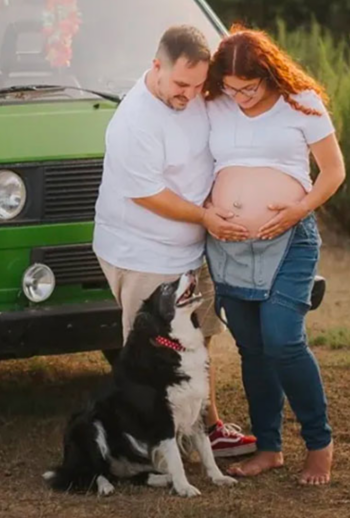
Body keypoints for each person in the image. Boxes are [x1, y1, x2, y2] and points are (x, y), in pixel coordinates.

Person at [93, 24, 257, 459]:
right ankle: (146, 448)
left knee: (198, 339)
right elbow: (148, 194)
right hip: (142, 251)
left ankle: (208, 428)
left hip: (193, 247)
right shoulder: (134, 122)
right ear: (157, 67)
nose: (191, 94)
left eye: (199, 85)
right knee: (152, 353)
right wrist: (205, 216)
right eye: (182, 84)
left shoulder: (196, 94)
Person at [204, 26, 346, 485]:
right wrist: (206, 209)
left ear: (269, 74)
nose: (240, 97)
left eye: (249, 88)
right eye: (231, 88)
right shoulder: (215, 104)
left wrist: (299, 208)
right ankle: (269, 447)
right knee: (252, 348)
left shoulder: (301, 102)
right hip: (229, 245)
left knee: (283, 340)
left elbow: (333, 171)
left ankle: (319, 444)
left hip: (289, 239)